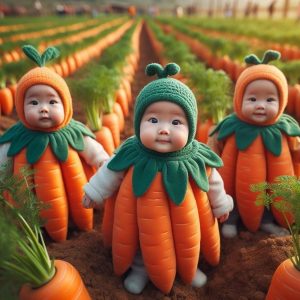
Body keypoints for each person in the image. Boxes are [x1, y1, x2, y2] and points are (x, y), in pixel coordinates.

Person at [82, 63, 233, 294]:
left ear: (191, 127)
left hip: (186, 221)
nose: (164, 129)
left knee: (188, 242)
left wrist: (221, 204)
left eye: (176, 122)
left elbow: (214, 183)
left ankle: (188, 270)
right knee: (142, 241)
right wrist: (94, 192)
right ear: (138, 122)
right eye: (153, 120)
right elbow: (110, 172)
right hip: (140, 218)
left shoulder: (197, 157)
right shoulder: (131, 151)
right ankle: (140, 269)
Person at [0, 45, 109, 242]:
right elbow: (3, 164)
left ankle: (77, 223)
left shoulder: (75, 133)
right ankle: (33, 229)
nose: (43, 109)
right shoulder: (16, 138)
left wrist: (103, 161)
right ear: (21, 107)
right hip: (28, 204)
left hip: (76, 201)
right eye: (33, 103)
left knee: (77, 203)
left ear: (65, 105)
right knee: (24, 205)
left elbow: (94, 152)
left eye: (52, 102)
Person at [208, 50, 300, 238]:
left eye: (270, 100)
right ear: (239, 99)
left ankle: (266, 221)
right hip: (232, 181)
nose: (260, 105)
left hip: (270, 182)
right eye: (252, 99)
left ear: (282, 102)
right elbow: (213, 147)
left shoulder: (286, 129)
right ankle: (231, 219)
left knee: (269, 195)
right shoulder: (230, 126)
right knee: (230, 190)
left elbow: (296, 150)